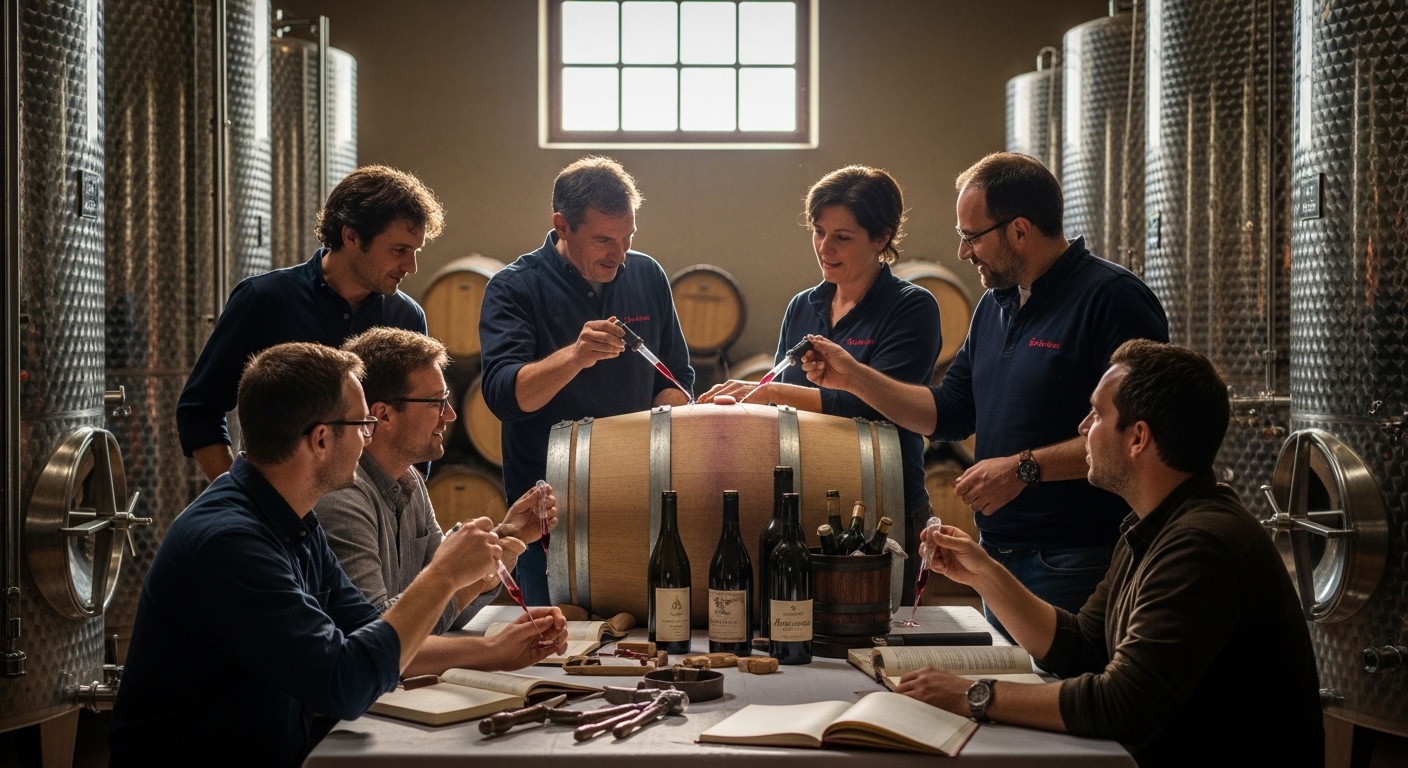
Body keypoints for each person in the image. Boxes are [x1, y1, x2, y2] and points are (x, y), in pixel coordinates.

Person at [110, 342, 568, 767]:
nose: (370, 438)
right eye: (362, 424)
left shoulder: (291, 519)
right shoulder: (230, 544)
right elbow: (346, 684)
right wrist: (443, 574)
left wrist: (491, 651)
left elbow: (373, 635)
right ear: (321, 439)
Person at [896, 340, 1324, 767]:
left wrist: (974, 693)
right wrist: (982, 572)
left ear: (1138, 438)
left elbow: (1123, 705)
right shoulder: (1154, 525)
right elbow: (1083, 647)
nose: (1083, 427)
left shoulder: (1201, 545)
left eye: (1098, 414)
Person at [800, 152, 1168, 631]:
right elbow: (951, 412)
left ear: (1019, 230)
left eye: (971, 237)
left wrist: (1025, 468)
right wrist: (852, 377)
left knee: (1066, 694)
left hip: (1076, 558)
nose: (963, 253)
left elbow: (1140, 439)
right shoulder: (997, 305)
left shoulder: (1112, 299)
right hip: (1000, 559)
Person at [699, 166, 940, 597]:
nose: (824, 248)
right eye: (818, 231)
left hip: (884, 501)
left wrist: (767, 391)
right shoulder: (804, 306)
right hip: (808, 496)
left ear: (881, 238)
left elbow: (871, 409)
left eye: (842, 237)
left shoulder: (911, 308)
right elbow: (783, 414)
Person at [479, 156, 694, 604]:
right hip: (550, 515)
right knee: (556, 647)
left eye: (627, 238)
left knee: (639, 641)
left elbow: (673, 377)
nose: (617, 254)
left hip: (638, 500)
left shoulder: (647, 274)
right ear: (562, 225)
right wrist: (575, 357)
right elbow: (505, 396)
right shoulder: (514, 287)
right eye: (603, 240)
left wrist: (683, 421)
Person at [178, 165, 444, 481]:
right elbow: (199, 411)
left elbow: (416, 430)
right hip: (282, 513)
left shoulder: (407, 318)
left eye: (415, 252)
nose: (411, 267)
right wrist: (243, 500)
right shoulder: (263, 299)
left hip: (370, 518)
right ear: (352, 236)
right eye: (400, 250)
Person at [315, 328, 565, 663]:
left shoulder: (411, 481)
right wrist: (491, 651)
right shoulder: (343, 499)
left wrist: (506, 537)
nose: (450, 415)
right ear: (384, 415)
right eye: (437, 402)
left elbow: (447, 611)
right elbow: (379, 637)